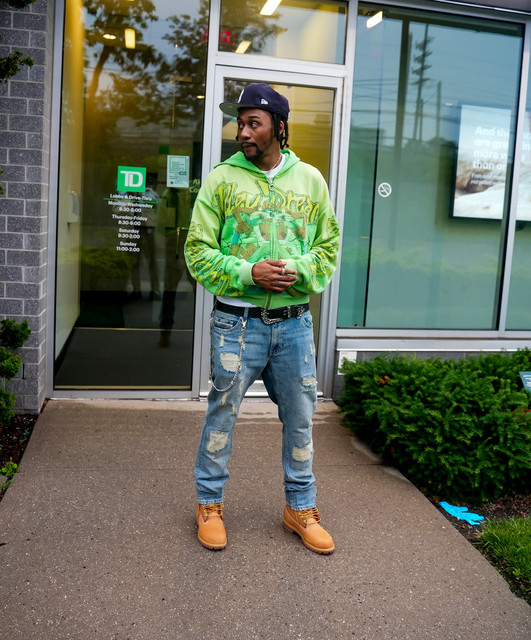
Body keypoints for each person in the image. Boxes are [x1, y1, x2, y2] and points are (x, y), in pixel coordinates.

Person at [184, 83, 340, 554]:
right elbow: (197, 251)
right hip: (237, 324)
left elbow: (328, 248)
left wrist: (298, 270)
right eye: (240, 123)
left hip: (294, 324)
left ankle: (300, 508)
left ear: (279, 127)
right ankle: (209, 504)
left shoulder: (310, 180)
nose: (243, 132)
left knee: (301, 420)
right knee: (222, 415)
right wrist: (248, 272)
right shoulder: (221, 180)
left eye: (254, 123)